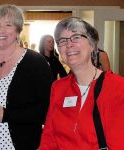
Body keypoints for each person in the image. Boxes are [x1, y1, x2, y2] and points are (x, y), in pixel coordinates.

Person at [0, 4, 52, 150]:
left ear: (18, 30)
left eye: (8, 24)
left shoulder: (35, 62)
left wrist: (6, 114)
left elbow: (46, 110)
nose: (1, 30)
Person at [39, 17, 124, 150]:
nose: (69, 44)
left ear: (92, 45)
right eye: (62, 40)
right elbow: (49, 139)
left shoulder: (118, 87)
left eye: (76, 37)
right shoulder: (58, 87)